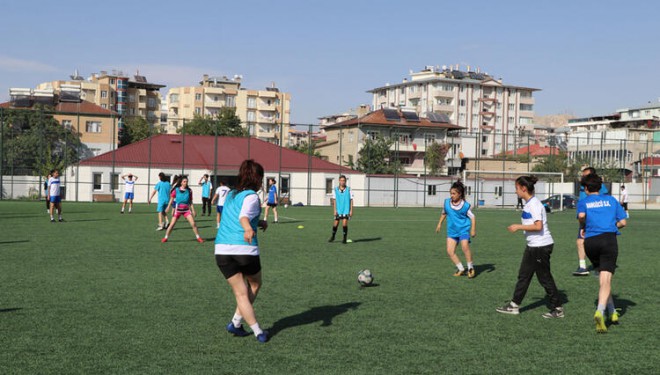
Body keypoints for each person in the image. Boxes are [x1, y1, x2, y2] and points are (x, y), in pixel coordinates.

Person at [215, 159, 269, 343]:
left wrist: (258, 222)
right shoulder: (253, 196)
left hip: (221, 249)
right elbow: (243, 216)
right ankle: (258, 332)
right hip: (243, 248)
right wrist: (247, 228)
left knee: (240, 293)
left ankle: (236, 324)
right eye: (261, 177)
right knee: (254, 285)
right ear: (256, 178)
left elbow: (233, 216)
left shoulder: (231, 194)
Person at [497, 176, 564, 319]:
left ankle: (557, 308)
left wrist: (518, 226)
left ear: (523, 188)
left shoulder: (534, 204)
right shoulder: (529, 204)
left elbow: (538, 226)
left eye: (516, 188)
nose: (515, 191)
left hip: (540, 246)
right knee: (524, 275)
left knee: (544, 278)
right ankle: (514, 305)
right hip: (533, 246)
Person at [577, 173, 626, 333]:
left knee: (604, 279)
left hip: (590, 242)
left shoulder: (583, 202)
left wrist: (585, 224)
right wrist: (612, 226)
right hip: (608, 240)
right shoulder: (611, 200)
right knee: (606, 279)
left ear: (585, 188)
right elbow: (623, 222)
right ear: (600, 187)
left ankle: (612, 312)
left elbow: (582, 217)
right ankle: (600, 311)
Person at [435, 181, 477, 278]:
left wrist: (473, 229)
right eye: (451, 193)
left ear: (460, 194)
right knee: (450, 251)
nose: (452, 195)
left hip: (463, 230)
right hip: (452, 231)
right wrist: (439, 224)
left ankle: (470, 268)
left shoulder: (465, 205)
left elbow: (473, 217)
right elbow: (444, 213)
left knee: (465, 247)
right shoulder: (446, 203)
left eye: (454, 193)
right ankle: (461, 268)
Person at [574, 167, 609, 276]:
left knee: (595, 241)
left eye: (585, 175)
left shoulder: (600, 187)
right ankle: (582, 266)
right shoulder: (583, 185)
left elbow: (604, 200)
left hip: (595, 217)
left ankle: (599, 265)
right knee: (580, 241)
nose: (583, 176)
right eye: (583, 175)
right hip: (584, 217)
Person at [162, 176, 203, 243]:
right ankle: (166, 237)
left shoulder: (189, 191)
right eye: (184, 181)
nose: (185, 183)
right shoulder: (176, 190)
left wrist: (193, 210)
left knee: (193, 224)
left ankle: (198, 237)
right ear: (181, 182)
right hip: (178, 210)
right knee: (172, 225)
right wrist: (168, 207)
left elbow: (190, 201)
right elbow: (171, 199)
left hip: (186, 210)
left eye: (186, 181)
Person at [328, 175, 354, 244]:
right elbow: (334, 200)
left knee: (344, 224)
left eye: (344, 180)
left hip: (346, 209)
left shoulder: (349, 189)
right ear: (339, 181)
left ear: (345, 181)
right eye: (341, 180)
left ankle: (344, 239)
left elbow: (351, 200)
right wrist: (334, 210)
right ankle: (333, 236)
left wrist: (351, 210)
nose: (342, 182)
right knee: (335, 224)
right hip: (338, 209)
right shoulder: (335, 189)